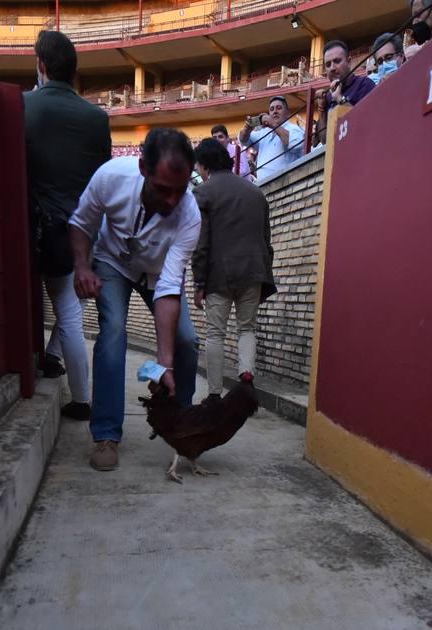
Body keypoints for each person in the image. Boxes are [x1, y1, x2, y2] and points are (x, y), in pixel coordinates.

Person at [69, 128, 202, 472]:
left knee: (186, 339)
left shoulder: (190, 216)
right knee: (113, 331)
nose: (173, 200)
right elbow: (82, 223)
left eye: (181, 190)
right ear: (143, 167)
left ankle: (180, 423)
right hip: (113, 262)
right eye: (163, 189)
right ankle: (106, 434)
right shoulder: (110, 177)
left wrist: (164, 365)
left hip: (158, 276)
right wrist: (82, 265)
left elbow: (171, 286)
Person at [24, 30, 110, 420]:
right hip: (84, 231)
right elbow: (101, 179)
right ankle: (58, 365)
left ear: (41, 65)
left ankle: (82, 398)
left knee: (68, 312)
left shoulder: (25, 106)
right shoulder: (96, 118)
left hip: (43, 227)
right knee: (70, 308)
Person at [190, 138, 275, 398]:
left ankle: (215, 394)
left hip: (219, 275)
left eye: (198, 168)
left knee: (216, 333)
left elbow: (201, 243)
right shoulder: (255, 192)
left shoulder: (203, 192)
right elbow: (266, 240)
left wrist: (198, 283)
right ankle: (246, 378)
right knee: (247, 328)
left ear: (204, 166)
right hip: (254, 271)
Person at [239, 95, 304, 181]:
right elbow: (243, 140)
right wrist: (247, 128)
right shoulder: (264, 132)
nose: (275, 112)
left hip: (286, 184)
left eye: (279, 108)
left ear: (287, 112)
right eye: (272, 109)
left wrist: (272, 123)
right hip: (264, 186)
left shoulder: (293, 129)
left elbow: (296, 145)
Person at [322, 40, 375, 112]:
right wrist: (321, 109)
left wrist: (340, 99)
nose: (332, 68)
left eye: (337, 61)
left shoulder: (364, 85)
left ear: (349, 62)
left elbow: (366, 119)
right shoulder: (328, 97)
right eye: (328, 65)